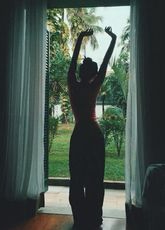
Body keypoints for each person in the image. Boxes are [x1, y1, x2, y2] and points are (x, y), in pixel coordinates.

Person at [67, 27, 117, 229]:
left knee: (77, 178)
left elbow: (72, 64)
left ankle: (81, 219)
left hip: (80, 134)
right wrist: (113, 39)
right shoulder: (93, 85)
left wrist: (80, 38)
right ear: (94, 73)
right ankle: (94, 220)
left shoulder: (73, 83)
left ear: (81, 72)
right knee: (95, 179)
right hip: (93, 134)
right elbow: (105, 62)